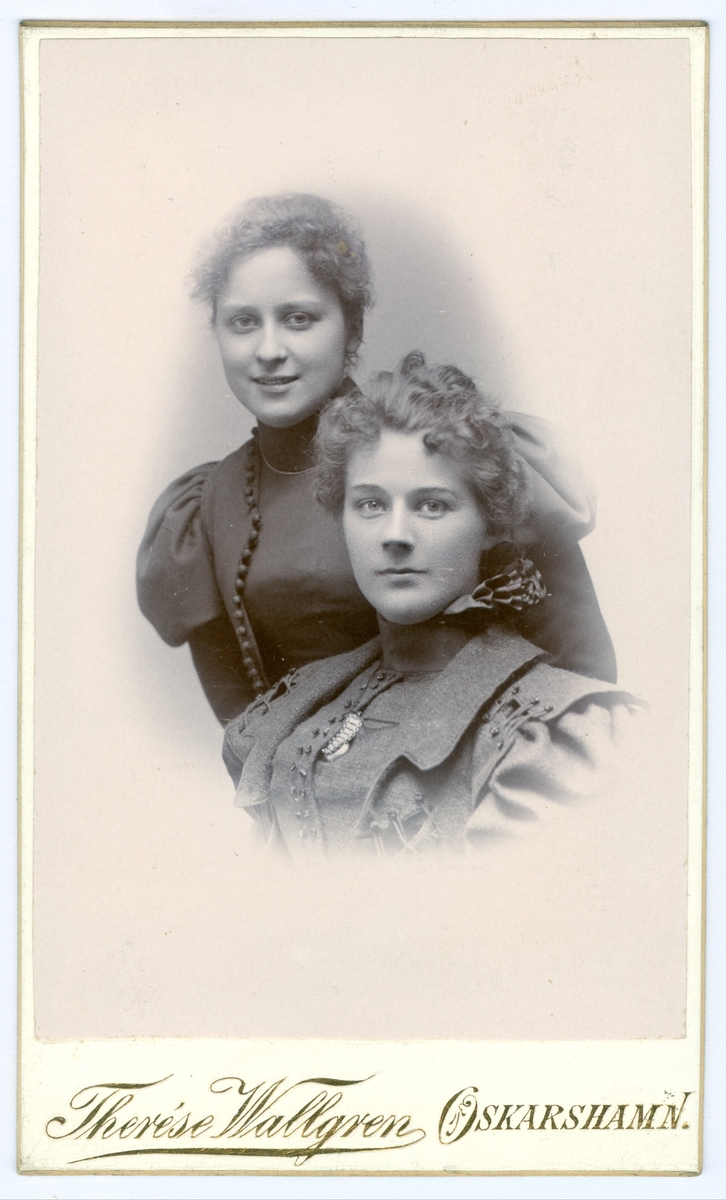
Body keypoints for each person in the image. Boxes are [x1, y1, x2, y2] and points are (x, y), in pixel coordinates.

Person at [137, 193, 615, 725]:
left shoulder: (457, 450)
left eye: (299, 318)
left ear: (353, 329)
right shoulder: (207, 507)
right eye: (243, 322)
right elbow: (242, 731)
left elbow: (584, 679)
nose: (268, 350)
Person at [223, 354, 636, 859]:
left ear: (492, 526)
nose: (395, 535)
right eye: (371, 504)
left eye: (432, 505)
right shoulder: (297, 709)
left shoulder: (552, 730)